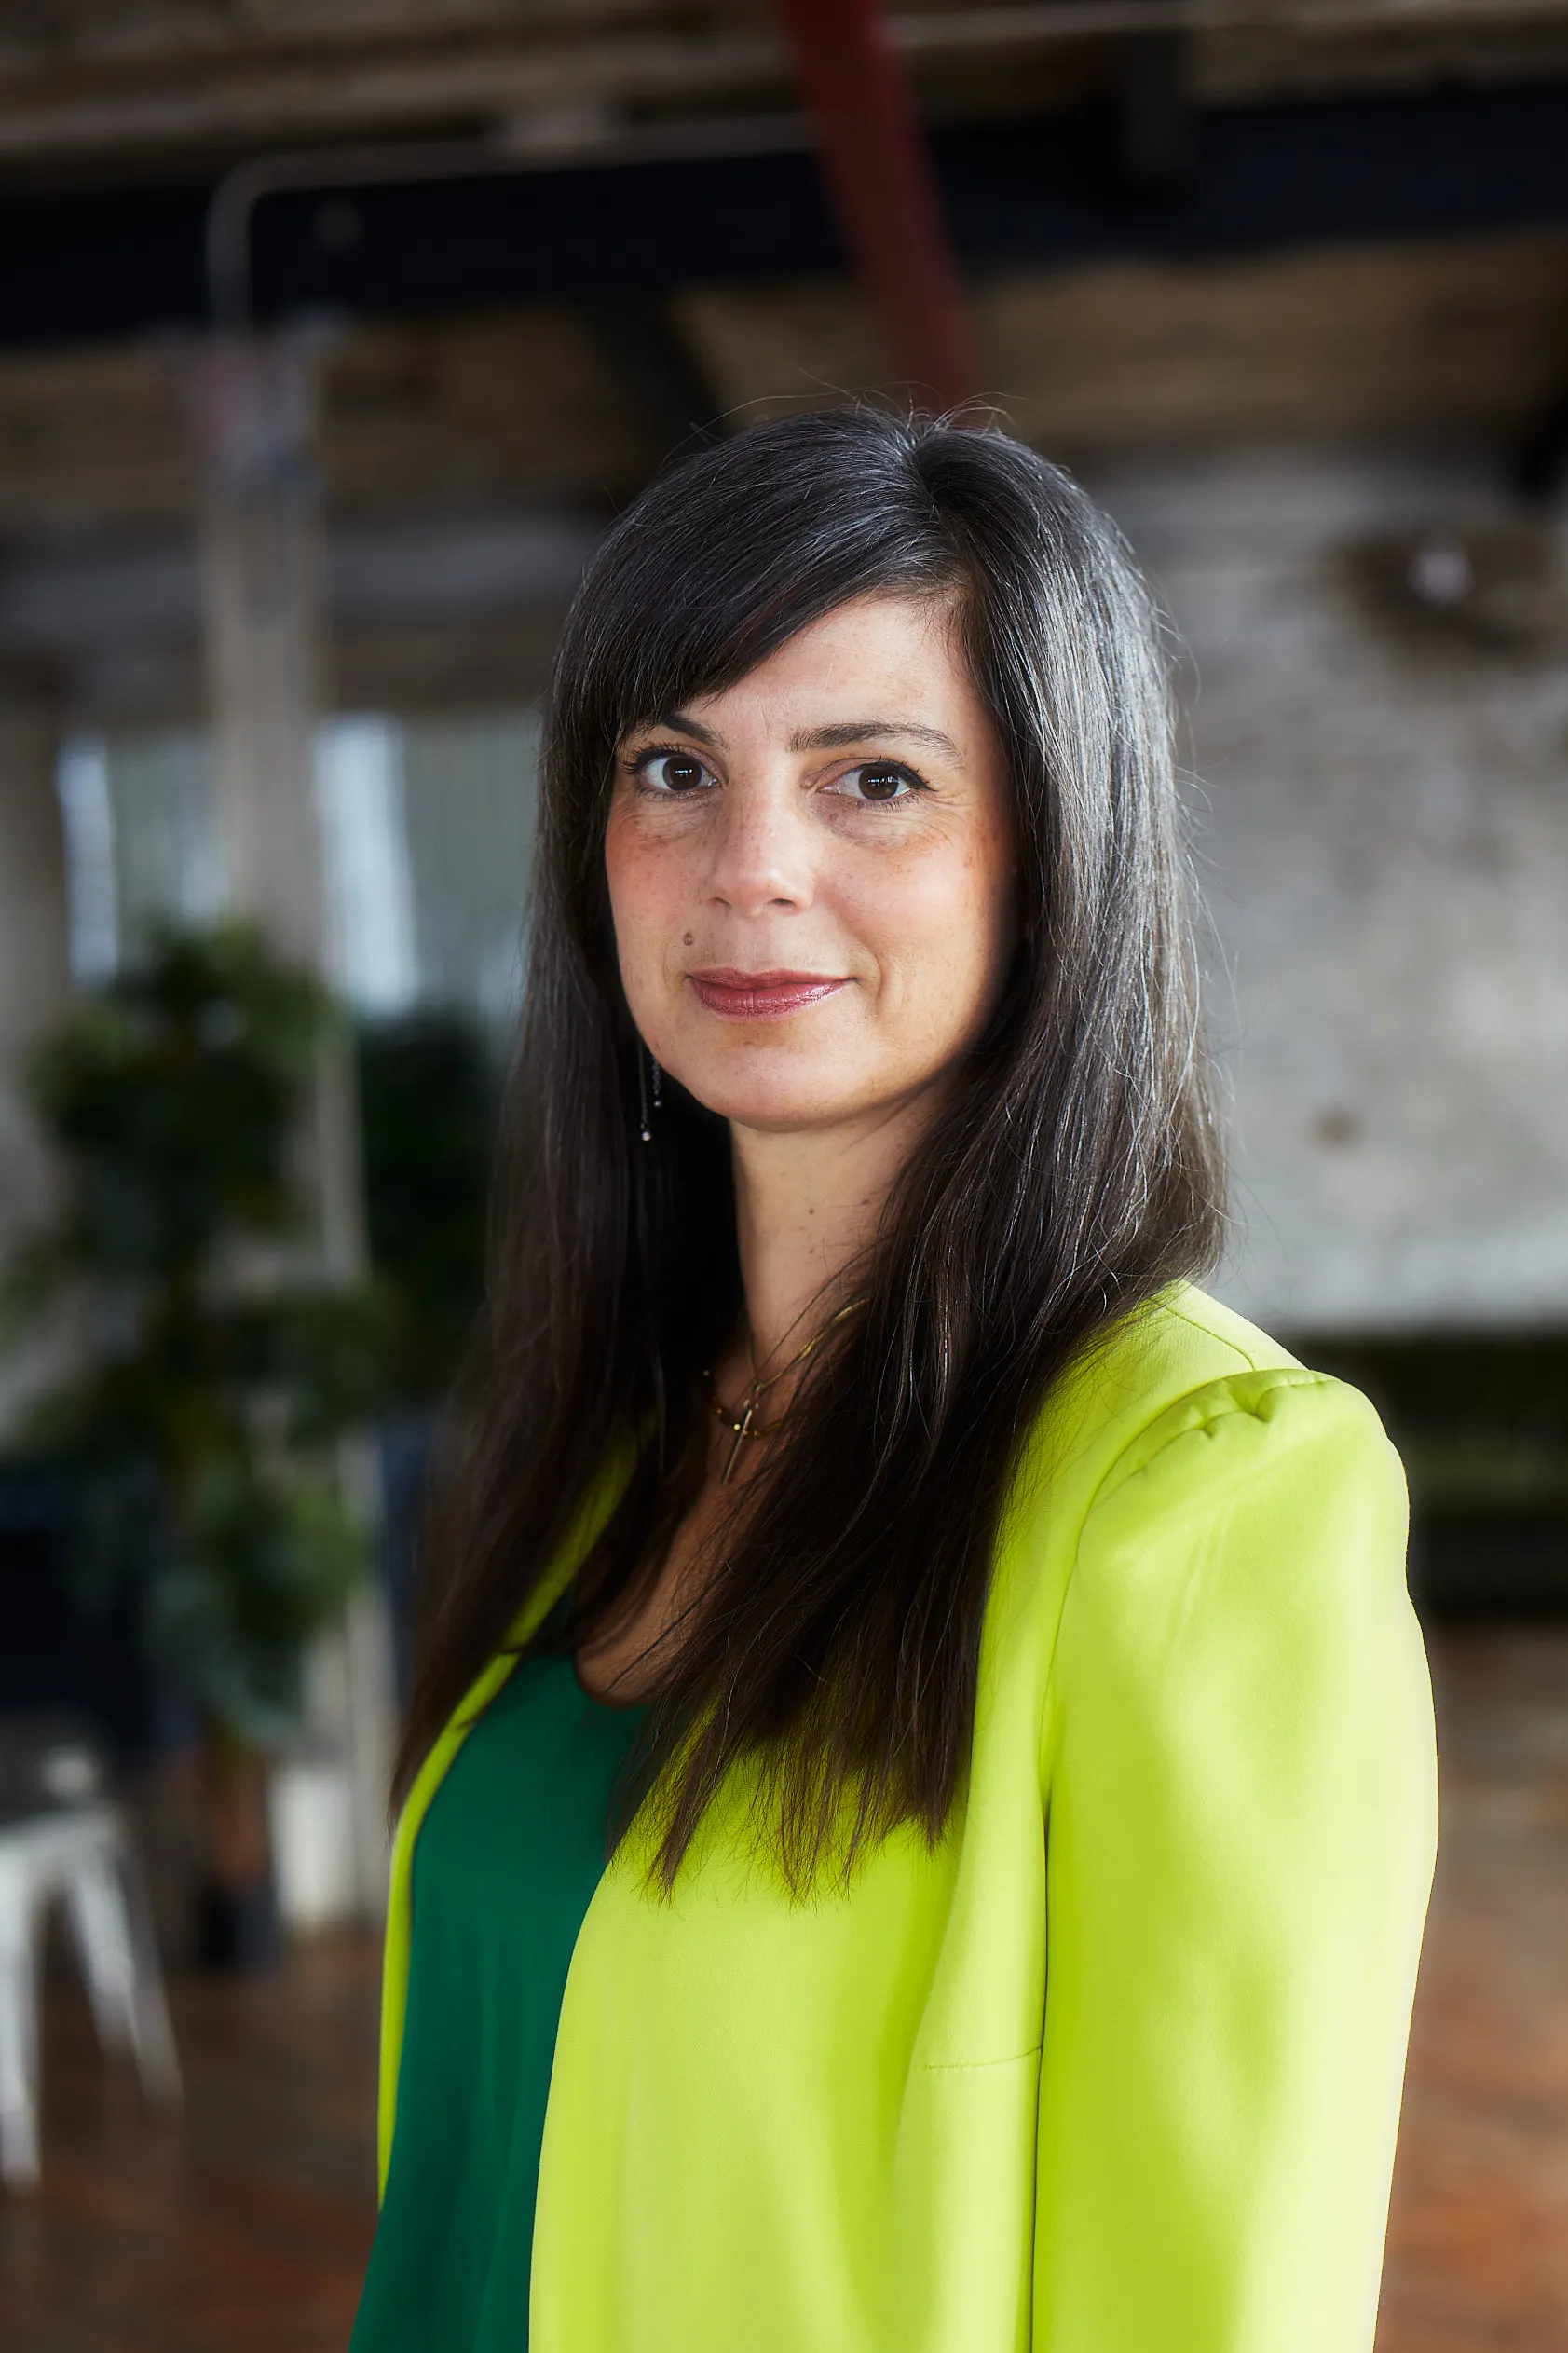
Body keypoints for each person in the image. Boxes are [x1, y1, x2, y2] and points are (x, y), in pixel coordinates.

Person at [350, 408, 1438, 2353]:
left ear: (1053, 845)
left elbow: (1219, 2301)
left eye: (871, 778)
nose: (746, 868)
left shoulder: (1202, 1493)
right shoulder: (621, 1426)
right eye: (672, 766)